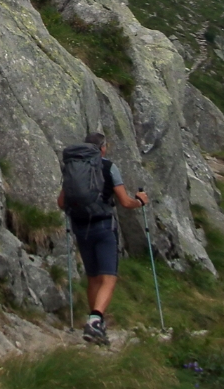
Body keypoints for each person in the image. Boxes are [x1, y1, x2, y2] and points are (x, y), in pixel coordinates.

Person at [57, 131, 149, 345]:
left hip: (80, 228)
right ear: (102, 148)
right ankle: (96, 319)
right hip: (104, 227)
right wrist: (141, 202)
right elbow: (125, 202)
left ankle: (94, 323)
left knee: (93, 278)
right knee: (109, 277)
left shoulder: (73, 167)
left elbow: (62, 203)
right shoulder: (108, 167)